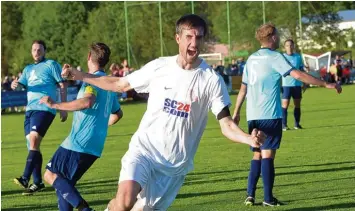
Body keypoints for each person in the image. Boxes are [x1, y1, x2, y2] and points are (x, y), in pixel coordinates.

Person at [62, 14, 266, 211]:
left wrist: (248, 139)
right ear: (178, 38)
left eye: (199, 37)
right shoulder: (160, 67)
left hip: (173, 166)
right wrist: (81, 75)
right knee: (124, 201)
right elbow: (119, 84)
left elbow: (226, 123)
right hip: (144, 151)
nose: (194, 43)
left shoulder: (211, 80)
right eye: (189, 36)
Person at [232, 23, 342, 207]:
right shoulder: (275, 57)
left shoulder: (251, 59)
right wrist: (325, 84)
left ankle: (250, 195)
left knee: (257, 154)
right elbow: (297, 75)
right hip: (269, 114)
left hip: (253, 114)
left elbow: (243, 88)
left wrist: (236, 113)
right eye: (277, 36)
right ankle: (268, 199)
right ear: (273, 37)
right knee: (268, 155)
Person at [40, 42, 123, 211]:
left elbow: (87, 101)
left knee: (50, 174)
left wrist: (56, 105)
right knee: (64, 184)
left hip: (79, 141)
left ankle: (86, 210)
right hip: (95, 144)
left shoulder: (92, 81)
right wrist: (99, 127)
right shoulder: (108, 85)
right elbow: (117, 114)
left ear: (88, 57)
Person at [11, 40, 68, 195]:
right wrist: (16, 85)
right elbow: (23, 85)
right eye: (34, 50)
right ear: (31, 52)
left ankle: (25, 177)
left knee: (34, 141)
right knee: (32, 145)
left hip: (45, 108)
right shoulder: (28, 69)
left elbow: (62, 84)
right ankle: (37, 182)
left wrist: (63, 107)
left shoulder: (51, 65)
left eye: (39, 49)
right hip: (30, 110)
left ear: (45, 51)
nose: (36, 52)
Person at [281, 39, 308, 131]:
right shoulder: (282, 57)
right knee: (285, 105)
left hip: (297, 84)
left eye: (291, 45)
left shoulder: (298, 57)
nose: (289, 47)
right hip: (286, 85)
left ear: (294, 46)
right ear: (284, 47)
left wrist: (304, 82)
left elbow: (301, 70)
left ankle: (297, 124)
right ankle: (284, 125)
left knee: (297, 105)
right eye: (287, 45)